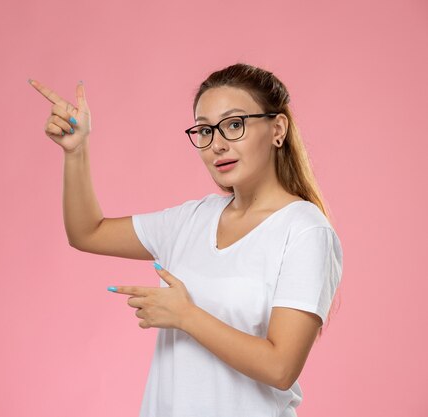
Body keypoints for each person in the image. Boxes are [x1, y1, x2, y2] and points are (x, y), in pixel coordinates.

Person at [28, 62, 343, 417]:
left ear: (277, 129)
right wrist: (76, 151)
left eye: (234, 124)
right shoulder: (192, 219)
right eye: (205, 130)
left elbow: (281, 368)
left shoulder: (304, 230)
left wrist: (185, 315)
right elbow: (88, 232)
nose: (217, 144)